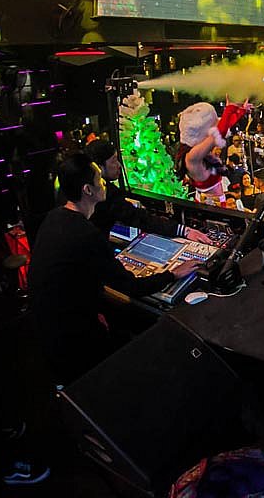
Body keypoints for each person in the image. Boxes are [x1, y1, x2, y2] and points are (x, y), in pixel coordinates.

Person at [28, 154, 196, 383]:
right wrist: (173, 273)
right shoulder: (85, 234)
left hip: (48, 335)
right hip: (72, 346)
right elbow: (132, 286)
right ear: (88, 190)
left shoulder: (54, 218)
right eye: (99, 179)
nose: (104, 183)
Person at [84, 140, 211, 244]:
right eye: (114, 160)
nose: (119, 165)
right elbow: (139, 218)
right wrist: (184, 231)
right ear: (99, 168)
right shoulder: (106, 194)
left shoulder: (80, 188)